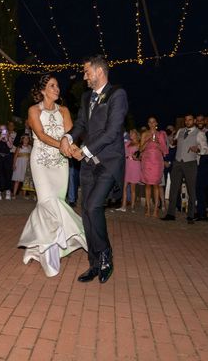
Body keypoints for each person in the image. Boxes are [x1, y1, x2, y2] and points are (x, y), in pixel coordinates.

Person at [60, 55, 129, 284]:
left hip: (109, 162)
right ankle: (94, 263)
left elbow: (112, 132)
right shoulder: (86, 97)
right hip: (89, 165)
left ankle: (106, 256)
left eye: (86, 72)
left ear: (99, 72)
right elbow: (80, 124)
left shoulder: (117, 94)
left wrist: (84, 150)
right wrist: (68, 137)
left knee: (93, 205)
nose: (84, 76)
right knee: (87, 213)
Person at [19, 74, 87, 277]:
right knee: (47, 203)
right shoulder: (33, 110)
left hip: (60, 164)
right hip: (41, 161)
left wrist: (76, 151)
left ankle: (40, 248)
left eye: (57, 85)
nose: (57, 89)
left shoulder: (64, 111)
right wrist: (64, 145)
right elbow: (40, 135)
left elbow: (70, 135)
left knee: (57, 203)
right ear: (42, 90)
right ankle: (49, 257)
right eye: (52, 86)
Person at [162, 114, 208, 224]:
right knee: (174, 189)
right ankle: (170, 214)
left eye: (190, 120)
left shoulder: (200, 133)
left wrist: (198, 149)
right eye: (186, 120)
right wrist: (172, 143)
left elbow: (206, 149)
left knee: (191, 190)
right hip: (177, 162)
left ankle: (191, 215)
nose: (187, 122)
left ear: (195, 121)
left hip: (190, 163)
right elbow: (174, 145)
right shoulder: (180, 131)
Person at [139, 117, 168, 217]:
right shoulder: (144, 134)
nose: (152, 124)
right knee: (147, 185)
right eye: (150, 122)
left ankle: (156, 209)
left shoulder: (160, 134)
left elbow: (165, 150)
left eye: (153, 122)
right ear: (148, 124)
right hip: (146, 162)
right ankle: (148, 207)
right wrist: (147, 140)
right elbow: (141, 149)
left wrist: (158, 143)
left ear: (156, 123)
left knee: (156, 185)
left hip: (157, 162)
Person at [119, 129, 141, 213]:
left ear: (136, 134)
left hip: (135, 166)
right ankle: (123, 206)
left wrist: (137, 157)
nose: (130, 134)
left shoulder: (139, 144)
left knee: (132, 188)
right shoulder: (127, 143)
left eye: (132, 133)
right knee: (124, 187)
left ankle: (132, 206)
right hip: (127, 165)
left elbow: (140, 156)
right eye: (130, 133)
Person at [0, 123, 15, 200]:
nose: (2, 131)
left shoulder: (9, 137)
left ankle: (8, 191)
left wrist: (7, 139)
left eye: (4, 129)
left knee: (8, 174)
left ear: (6, 130)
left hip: (7, 157)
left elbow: (10, 146)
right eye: (1, 129)